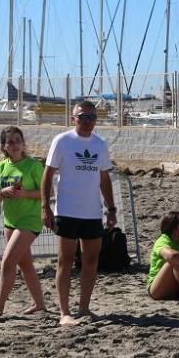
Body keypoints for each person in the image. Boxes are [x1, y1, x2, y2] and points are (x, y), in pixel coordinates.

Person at [41, 101, 117, 326]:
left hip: (92, 212)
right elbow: (48, 174)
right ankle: (64, 312)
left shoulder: (100, 144)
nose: (87, 122)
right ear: (73, 118)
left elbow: (104, 179)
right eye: (83, 117)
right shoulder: (62, 141)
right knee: (65, 261)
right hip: (67, 210)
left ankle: (84, 307)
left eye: (92, 117)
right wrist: (45, 206)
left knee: (91, 260)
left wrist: (111, 209)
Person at [0, 126, 47, 316]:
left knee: (7, 261)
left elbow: (48, 193)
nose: (14, 144)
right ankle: (39, 304)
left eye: (17, 140)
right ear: (4, 146)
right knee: (25, 265)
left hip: (30, 220)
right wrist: (3, 192)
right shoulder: (0, 167)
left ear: (23, 144)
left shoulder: (34, 166)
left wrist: (25, 194)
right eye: (10, 141)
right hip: (10, 221)